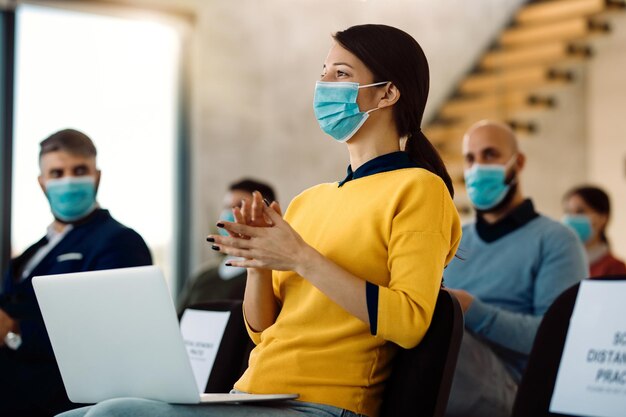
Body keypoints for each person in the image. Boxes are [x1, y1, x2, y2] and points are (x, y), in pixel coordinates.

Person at [57, 24, 462, 417]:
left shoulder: (419, 189)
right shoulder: (309, 200)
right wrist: (258, 264)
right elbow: (261, 329)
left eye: (341, 74)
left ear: (388, 92)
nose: (324, 86)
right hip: (253, 394)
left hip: (327, 404)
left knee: (115, 414)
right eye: (323, 74)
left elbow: (410, 323)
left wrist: (300, 256)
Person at [0, 129, 153, 417]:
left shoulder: (119, 241)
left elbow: (108, 331)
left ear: (97, 176)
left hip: (56, 401)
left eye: (79, 170)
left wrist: (15, 329)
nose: (68, 181)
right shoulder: (32, 252)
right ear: (42, 182)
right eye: (56, 173)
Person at [443, 120, 588, 417]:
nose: (478, 167)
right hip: (448, 380)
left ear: (517, 162)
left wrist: (471, 308)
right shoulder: (452, 242)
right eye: (470, 159)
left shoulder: (557, 241)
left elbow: (556, 338)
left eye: (490, 155)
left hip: (514, 388)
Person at [177, 178, 277, 313]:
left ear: (267, 215)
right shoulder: (202, 278)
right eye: (227, 207)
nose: (231, 213)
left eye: (240, 206)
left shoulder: (274, 276)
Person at [562, 185, 626, 277]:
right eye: (568, 211)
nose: (572, 217)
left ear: (603, 218)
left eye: (580, 211)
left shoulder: (614, 268)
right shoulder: (560, 263)